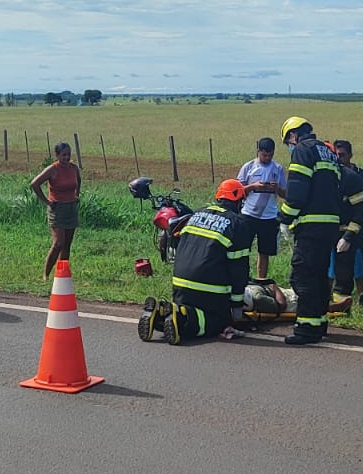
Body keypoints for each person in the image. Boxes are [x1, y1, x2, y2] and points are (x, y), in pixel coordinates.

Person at [139, 179, 253, 344]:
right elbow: (239, 271)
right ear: (239, 201)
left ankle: (160, 314)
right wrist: (236, 308)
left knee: (183, 314)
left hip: (179, 283)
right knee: (218, 323)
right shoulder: (238, 224)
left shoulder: (196, 214)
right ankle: (182, 317)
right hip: (209, 288)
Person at [277, 116, 342, 345]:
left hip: (311, 225)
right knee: (319, 276)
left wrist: (284, 218)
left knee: (303, 276)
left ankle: (306, 329)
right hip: (330, 225)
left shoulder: (302, 151)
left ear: (294, 135)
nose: (289, 146)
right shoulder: (328, 152)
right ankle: (319, 323)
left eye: (288, 142)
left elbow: (297, 191)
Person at [237, 137, 288, 280]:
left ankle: (261, 280)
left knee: (264, 252)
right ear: (258, 151)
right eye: (264, 155)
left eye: (270, 155)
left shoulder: (278, 169)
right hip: (248, 214)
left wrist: (277, 188)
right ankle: (242, 278)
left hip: (269, 216)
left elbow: (285, 194)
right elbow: (237, 191)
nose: (267, 158)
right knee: (242, 250)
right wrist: (253, 186)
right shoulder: (248, 167)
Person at [329, 139, 363, 311]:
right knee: (331, 265)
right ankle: (330, 299)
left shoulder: (357, 176)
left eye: (342, 155)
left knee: (356, 265)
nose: (339, 158)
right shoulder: (329, 175)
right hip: (332, 230)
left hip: (352, 229)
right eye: (336, 155)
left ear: (350, 155)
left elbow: (361, 206)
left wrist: (349, 234)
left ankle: (359, 296)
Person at [30, 142, 81, 281]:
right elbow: (34, 184)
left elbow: (78, 180)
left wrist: (77, 195)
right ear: (57, 155)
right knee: (58, 243)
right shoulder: (52, 169)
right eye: (63, 155)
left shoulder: (74, 168)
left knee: (67, 244)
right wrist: (46, 201)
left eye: (68, 154)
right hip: (57, 209)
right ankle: (46, 274)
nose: (66, 157)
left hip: (71, 208)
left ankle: (61, 275)